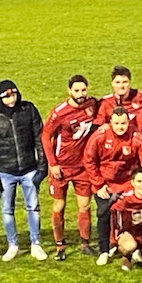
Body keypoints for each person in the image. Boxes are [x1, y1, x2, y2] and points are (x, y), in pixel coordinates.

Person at [83, 106, 142, 266]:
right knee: (104, 215)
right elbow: (89, 160)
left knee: (132, 215)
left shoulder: (136, 138)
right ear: (110, 122)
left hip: (127, 184)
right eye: (117, 123)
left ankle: (135, 248)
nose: (120, 127)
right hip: (105, 184)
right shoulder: (99, 136)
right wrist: (99, 184)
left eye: (123, 123)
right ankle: (104, 250)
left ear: (129, 122)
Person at [0, 80, 48, 262]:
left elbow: (39, 138)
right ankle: (12, 245)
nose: (11, 100)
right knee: (7, 209)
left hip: (29, 168)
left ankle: (36, 243)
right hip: (5, 170)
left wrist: (42, 166)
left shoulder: (28, 110)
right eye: (6, 97)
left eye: (13, 95)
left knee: (33, 207)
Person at [41, 75, 98, 260]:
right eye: (76, 91)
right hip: (62, 167)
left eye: (83, 90)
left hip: (82, 167)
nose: (80, 94)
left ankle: (85, 243)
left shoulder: (91, 105)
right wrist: (53, 163)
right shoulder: (59, 113)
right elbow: (45, 137)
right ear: (69, 91)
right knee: (59, 205)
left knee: (85, 205)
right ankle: (60, 245)